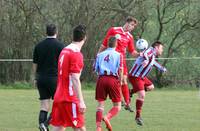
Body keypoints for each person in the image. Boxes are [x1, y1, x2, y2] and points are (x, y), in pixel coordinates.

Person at [50, 24, 87, 131]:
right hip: (69, 97)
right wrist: (81, 101)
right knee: (79, 127)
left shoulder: (64, 50)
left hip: (59, 95)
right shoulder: (76, 53)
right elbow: (75, 78)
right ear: (85, 38)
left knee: (59, 127)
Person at [98, 16, 139, 112]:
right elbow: (104, 44)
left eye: (134, 26)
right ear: (127, 23)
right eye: (132, 25)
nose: (132, 27)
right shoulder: (114, 30)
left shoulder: (130, 37)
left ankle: (127, 103)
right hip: (112, 59)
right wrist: (98, 55)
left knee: (124, 80)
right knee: (116, 80)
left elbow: (132, 51)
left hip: (122, 59)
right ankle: (120, 99)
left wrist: (140, 54)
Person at [33, 24, 64, 131]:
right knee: (59, 106)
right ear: (56, 32)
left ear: (46, 32)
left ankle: (43, 126)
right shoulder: (61, 46)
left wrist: (35, 78)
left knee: (44, 106)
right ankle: (45, 124)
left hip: (41, 79)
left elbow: (35, 64)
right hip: (55, 79)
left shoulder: (38, 46)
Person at [128, 41, 167, 126]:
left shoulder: (152, 55)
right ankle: (138, 117)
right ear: (156, 47)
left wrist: (162, 68)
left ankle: (130, 92)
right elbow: (145, 54)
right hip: (135, 75)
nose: (162, 50)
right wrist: (145, 60)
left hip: (141, 77)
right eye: (161, 48)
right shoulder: (150, 51)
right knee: (142, 95)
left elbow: (153, 63)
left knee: (151, 87)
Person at [94, 36, 123, 131]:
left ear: (107, 44)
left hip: (101, 79)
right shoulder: (119, 55)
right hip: (113, 79)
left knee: (100, 105)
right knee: (117, 106)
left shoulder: (99, 55)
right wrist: (121, 81)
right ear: (116, 44)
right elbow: (121, 69)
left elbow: (95, 69)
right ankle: (107, 117)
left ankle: (98, 127)